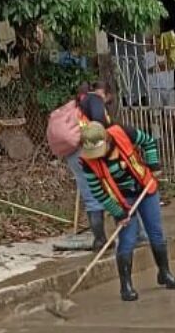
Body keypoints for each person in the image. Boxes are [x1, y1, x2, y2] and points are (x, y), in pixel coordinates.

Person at [78, 121, 175, 301]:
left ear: (107, 140)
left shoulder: (123, 132)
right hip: (121, 197)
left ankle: (165, 273)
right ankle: (126, 286)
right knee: (127, 239)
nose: (96, 156)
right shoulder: (88, 162)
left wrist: (154, 165)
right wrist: (118, 213)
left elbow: (148, 142)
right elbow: (98, 192)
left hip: (144, 187)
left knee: (155, 232)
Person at [46, 83, 107, 250]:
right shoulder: (95, 99)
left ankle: (99, 238)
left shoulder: (71, 106)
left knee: (89, 194)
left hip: (71, 152)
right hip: (86, 148)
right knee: (103, 192)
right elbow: (99, 125)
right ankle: (102, 240)